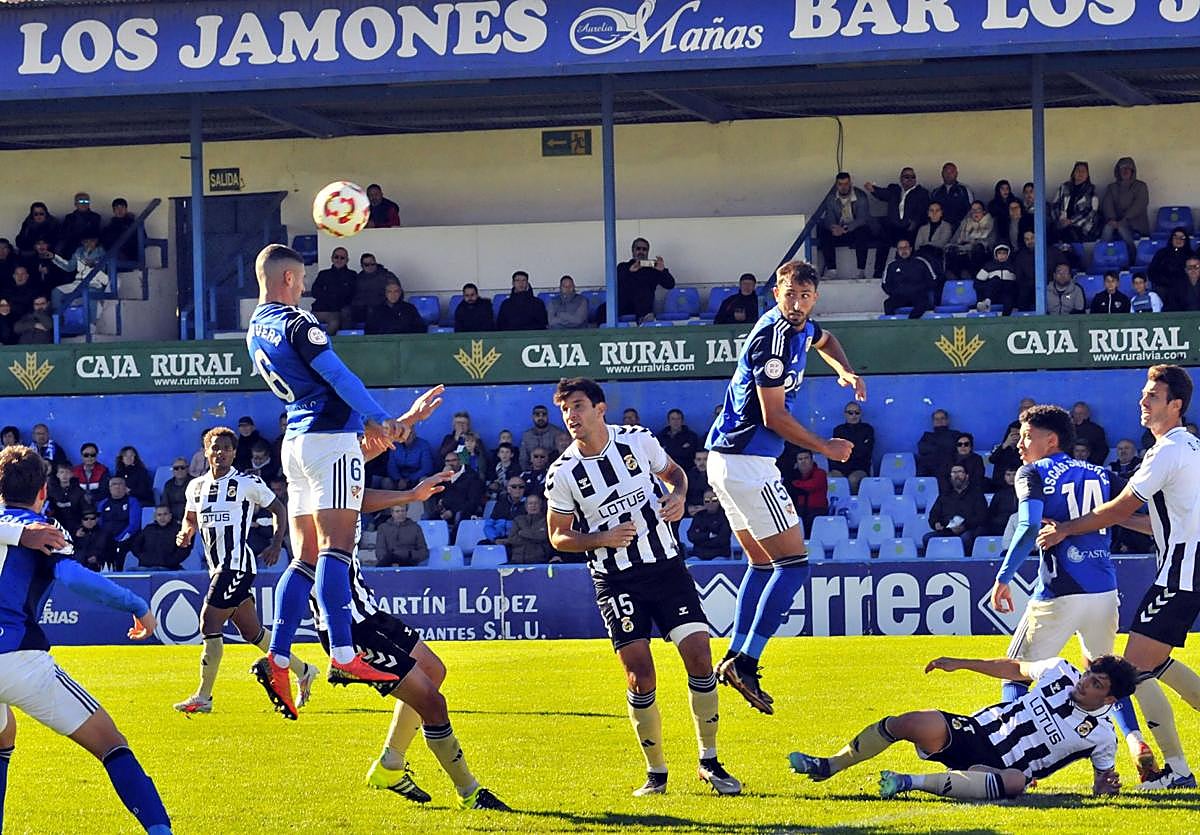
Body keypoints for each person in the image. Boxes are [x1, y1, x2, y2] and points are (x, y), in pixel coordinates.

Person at [246, 242, 443, 720]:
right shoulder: (299, 322)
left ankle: (277, 656)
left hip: (295, 445)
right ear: (289, 280)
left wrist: (394, 421)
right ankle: (342, 650)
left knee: (305, 558)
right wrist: (378, 418)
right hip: (329, 439)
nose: (305, 288)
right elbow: (336, 375)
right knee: (336, 549)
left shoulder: (255, 330)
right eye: (302, 280)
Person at [546, 377, 741, 797]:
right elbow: (558, 537)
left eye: (578, 406)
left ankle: (709, 762)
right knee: (640, 674)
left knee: (700, 656)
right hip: (615, 579)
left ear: (600, 408)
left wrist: (678, 497)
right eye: (566, 410)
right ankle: (656, 774)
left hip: (667, 567)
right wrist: (601, 538)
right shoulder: (562, 472)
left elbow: (677, 476)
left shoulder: (637, 440)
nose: (571, 416)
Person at [706, 260, 865, 714]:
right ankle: (749, 660)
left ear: (814, 298)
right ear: (775, 292)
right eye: (789, 294)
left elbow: (827, 340)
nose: (796, 304)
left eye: (805, 296)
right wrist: (823, 448)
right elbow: (773, 415)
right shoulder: (772, 339)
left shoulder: (802, 328)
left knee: (761, 563)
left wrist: (845, 372)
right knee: (793, 565)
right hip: (749, 462)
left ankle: (736, 655)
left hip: (727, 461)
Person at [1038, 365, 1200, 790]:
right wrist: (1114, 519)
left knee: (1134, 670)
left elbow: (1123, 506)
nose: (1143, 401)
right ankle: (1176, 770)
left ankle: (1178, 772)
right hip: (1187, 565)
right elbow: (1154, 523)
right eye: (1143, 394)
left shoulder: (1165, 451)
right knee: (1156, 662)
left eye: (1152, 396)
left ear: (1175, 405)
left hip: (1182, 571)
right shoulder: (1189, 448)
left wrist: (1069, 527)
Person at [0, 445, 172, 833]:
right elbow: (74, 578)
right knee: (112, 743)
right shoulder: (43, 530)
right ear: (43, 491)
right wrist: (136, 603)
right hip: (18, 659)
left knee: (2, 734)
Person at [989, 404, 1156, 780]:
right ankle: (1134, 740)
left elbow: (1029, 525)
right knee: (1104, 674)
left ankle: (1009, 756)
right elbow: (1136, 515)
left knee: (1015, 673)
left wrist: (1004, 575)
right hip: (1104, 593)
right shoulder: (1101, 473)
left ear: (1051, 440)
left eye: (1027, 436)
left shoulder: (1032, 473)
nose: (1019, 443)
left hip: (1060, 591)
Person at [320, 480, 509, 810]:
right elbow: (304, 569)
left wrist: (401, 438)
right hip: (349, 625)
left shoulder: (339, 478)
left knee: (434, 670)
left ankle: (390, 766)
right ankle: (470, 792)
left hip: (369, 612)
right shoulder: (316, 494)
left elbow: (357, 497)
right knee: (433, 704)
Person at [788, 653, 1136, 801]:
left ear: (1109, 699)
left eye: (1097, 683)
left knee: (1016, 783)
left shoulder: (1102, 736)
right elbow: (1015, 668)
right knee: (907, 722)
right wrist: (960, 663)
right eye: (1090, 674)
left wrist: (1105, 786)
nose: (1085, 682)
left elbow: (1101, 782)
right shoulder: (1060, 671)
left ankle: (907, 782)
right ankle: (829, 765)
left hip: (1004, 768)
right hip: (975, 731)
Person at [171, 427, 318, 714]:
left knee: (208, 623)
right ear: (206, 451)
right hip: (217, 567)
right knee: (254, 633)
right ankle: (304, 670)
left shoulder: (246, 483)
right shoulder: (196, 486)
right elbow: (190, 518)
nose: (220, 452)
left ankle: (203, 697)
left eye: (226, 448)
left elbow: (279, 508)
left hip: (237, 564)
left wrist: (277, 543)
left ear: (234, 453)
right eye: (215, 447)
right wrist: (185, 533)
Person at [864, 167, 929, 278]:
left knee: (906, 246)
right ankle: (878, 272)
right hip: (894, 227)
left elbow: (922, 210)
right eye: (906, 177)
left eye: (913, 177)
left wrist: (914, 222)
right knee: (882, 241)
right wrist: (872, 189)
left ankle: (903, 273)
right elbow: (883, 194)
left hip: (910, 228)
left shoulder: (921, 192)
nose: (910, 179)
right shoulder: (895, 190)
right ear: (901, 178)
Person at [817, 172, 873, 278]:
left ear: (850, 183)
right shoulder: (831, 198)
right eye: (840, 184)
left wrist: (846, 228)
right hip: (839, 231)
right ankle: (832, 270)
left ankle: (861, 271)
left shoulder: (860, 196)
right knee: (824, 233)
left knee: (863, 232)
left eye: (846, 184)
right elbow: (829, 217)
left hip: (854, 230)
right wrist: (833, 227)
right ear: (836, 185)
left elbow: (862, 219)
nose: (843, 187)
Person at [923, 464, 987, 554]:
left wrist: (964, 526)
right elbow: (933, 515)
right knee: (927, 538)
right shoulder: (944, 496)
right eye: (954, 472)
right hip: (947, 530)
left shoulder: (976, 494)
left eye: (960, 472)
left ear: (967, 475)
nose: (956, 475)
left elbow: (982, 516)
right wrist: (935, 523)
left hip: (969, 530)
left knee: (965, 539)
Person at [616, 238, 675, 323]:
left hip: (643, 307)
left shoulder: (653, 270)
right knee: (603, 309)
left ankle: (644, 319)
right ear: (633, 251)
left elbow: (670, 284)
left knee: (642, 291)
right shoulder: (623, 267)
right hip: (623, 306)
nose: (641, 252)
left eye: (644, 249)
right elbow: (615, 282)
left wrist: (662, 271)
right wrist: (630, 271)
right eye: (638, 249)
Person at [1100, 157, 1150, 255]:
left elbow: (1139, 205)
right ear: (1118, 171)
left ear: (1133, 171)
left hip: (1136, 225)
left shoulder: (1141, 186)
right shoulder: (1112, 187)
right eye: (1122, 168)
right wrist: (1112, 219)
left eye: (1128, 168)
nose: (1125, 171)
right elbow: (1107, 204)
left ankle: (1132, 257)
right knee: (1107, 228)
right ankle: (1103, 257)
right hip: (1115, 223)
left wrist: (1124, 219)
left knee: (1122, 229)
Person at [881, 238, 935, 318]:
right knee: (888, 304)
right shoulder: (892, 265)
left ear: (910, 249)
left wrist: (920, 290)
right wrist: (896, 292)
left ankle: (910, 324)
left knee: (923, 303)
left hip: (918, 296)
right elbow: (885, 284)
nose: (903, 250)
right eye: (900, 248)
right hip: (900, 296)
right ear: (897, 250)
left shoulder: (921, 262)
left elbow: (932, 279)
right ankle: (893, 327)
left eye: (906, 247)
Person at [1050, 161, 1101, 244]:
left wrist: (1071, 221)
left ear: (1087, 175)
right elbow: (1054, 205)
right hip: (1062, 221)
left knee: (1070, 233)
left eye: (1083, 171)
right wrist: (1059, 220)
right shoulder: (1064, 187)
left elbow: (1092, 211)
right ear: (1073, 173)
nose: (1080, 173)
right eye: (1078, 170)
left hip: (1082, 225)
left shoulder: (1091, 190)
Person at [309, 247, 357, 335]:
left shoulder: (352, 275)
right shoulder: (323, 274)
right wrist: (332, 297)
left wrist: (330, 296)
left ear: (347, 260)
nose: (339, 260)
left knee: (339, 319)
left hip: (341, 311)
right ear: (332, 258)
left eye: (342, 258)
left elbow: (352, 295)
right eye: (336, 257)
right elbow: (315, 292)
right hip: (321, 310)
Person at [97, 476, 141, 571]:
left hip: (125, 539)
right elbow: (99, 524)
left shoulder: (132, 502)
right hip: (106, 539)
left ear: (125, 487)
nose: (117, 487)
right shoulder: (103, 504)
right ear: (109, 488)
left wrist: (120, 538)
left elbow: (134, 525)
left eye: (120, 484)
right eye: (114, 484)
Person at [944, 200, 995, 280]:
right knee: (952, 251)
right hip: (962, 251)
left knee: (978, 249)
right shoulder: (965, 223)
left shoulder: (990, 223)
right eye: (973, 210)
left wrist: (970, 246)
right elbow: (954, 240)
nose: (975, 212)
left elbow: (990, 243)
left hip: (980, 253)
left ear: (984, 211)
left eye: (978, 209)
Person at [829, 402, 873, 492]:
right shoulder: (838, 430)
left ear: (861, 414)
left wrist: (848, 451)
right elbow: (835, 451)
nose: (854, 415)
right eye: (850, 413)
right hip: (840, 467)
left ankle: (852, 503)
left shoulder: (867, 429)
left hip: (860, 467)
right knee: (832, 479)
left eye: (857, 412)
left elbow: (865, 451)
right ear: (845, 414)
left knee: (853, 479)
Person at [129, 506, 188, 571]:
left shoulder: (178, 530)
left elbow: (184, 550)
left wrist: (170, 561)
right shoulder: (148, 529)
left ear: (170, 516)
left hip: (170, 569)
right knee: (130, 571)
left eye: (165, 514)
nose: (162, 518)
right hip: (146, 568)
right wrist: (144, 558)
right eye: (159, 515)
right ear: (155, 517)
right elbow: (135, 545)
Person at [784, 449, 828, 536]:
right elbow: (787, 490)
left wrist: (795, 483)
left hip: (817, 510)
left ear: (812, 460)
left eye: (806, 458)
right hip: (798, 510)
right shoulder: (792, 474)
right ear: (797, 462)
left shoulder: (820, 473)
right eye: (800, 459)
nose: (803, 461)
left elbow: (811, 486)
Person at [518, 405, 568, 471]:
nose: (541, 417)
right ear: (533, 417)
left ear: (548, 416)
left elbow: (563, 454)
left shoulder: (557, 433)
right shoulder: (527, 435)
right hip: (532, 472)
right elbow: (523, 458)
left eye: (544, 414)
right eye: (537, 415)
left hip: (554, 471)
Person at [1147, 227, 1192, 298]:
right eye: (1175, 237)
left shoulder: (1191, 255)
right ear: (1171, 239)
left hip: (1186, 288)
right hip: (1164, 287)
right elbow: (1152, 272)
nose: (1178, 240)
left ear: (1186, 240)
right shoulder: (1161, 254)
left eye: (1182, 238)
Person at [688, 490, 732, 560]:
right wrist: (709, 535)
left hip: (719, 555)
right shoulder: (699, 516)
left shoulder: (725, 516)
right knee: (691, 561)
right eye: (707, 501)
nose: (710, 503)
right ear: (703, 502)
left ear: (719, 500)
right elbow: (691, 536)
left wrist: (700, 541)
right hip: (699, 555)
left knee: (718, 561)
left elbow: (723, 539)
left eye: (714, 500)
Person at [509, 494, 552, 564]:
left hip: (540, 561)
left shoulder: (546, 520)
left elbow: (543, 537)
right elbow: (512, 539)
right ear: (526, 507)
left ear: (540, 505)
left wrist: (522, 533)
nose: (533, 506)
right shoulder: (518, 520)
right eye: (530, 503)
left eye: (536, 503)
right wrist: (534, 537)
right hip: (517, 560)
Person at [973, 244, 1017, 314]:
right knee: (995, 279)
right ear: (995, 254)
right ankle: (986, 303)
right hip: (993, 295)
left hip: (1006, 294)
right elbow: (977, 283)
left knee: (1009, 299)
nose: (1002, 256)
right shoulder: (989, 266)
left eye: (1004, 253)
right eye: (999, 253)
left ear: (1008, 254)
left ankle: (1004, 320)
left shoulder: (1013, 266)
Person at [57, 192, 103, 257]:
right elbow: (65, 234)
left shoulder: (95, 217)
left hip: (89, 245)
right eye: (81, 201)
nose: (84, 203)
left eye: (86, 201)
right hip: (72, 245)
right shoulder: (69, 217)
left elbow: (96, 234)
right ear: (75, 204)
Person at [929, 162, 974, 228]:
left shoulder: (964, 190)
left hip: (959, 228)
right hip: (939, 229)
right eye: (946, 172)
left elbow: (972, 210)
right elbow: (930, 211)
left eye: (952, 172)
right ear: (942, 174)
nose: (948, 175)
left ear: (956, 174)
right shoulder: (936, 192)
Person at [916, 409, 958, 478]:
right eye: (936, 419)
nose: (939, 421)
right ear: (933, 422)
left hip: (951, 469)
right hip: (932, 470)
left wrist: (937, 448)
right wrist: (943, 449)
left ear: (947, 420)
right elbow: (922, 449)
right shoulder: (927, 436)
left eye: (942, 418)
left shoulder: (955, 435)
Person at [47, 463, 87, 536]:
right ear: (57, 475)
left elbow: (85, 511)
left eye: (67, 472)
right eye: (62, 472)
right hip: (56, 528)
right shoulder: (51, 492)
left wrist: (80, 528)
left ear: (72, 474)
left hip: (76, 529)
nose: (64, 475)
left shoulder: (79, 491)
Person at [100, 198, 139, 265]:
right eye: (117, 208)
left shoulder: (134, 225)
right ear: (113, 210)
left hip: (131, 257)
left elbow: (141, 240)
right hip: (114, 259)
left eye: (122, 208)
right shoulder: (109, 228)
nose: (120, 211)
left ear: (126, 209)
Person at [1071, 401, 1109, 466]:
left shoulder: (1096, 430)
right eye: (1075, 413)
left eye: (1081, 413)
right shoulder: (1067, 430)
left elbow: (1103, 450)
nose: (1078, 416)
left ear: (1087, 414)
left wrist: (1091, 465)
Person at [161, 458, 191, 523]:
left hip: (191, 520)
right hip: (172, 521)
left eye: (182, 467)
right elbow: (165, 504)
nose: (179, 470)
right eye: (176, 468)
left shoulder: (195, 482)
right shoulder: (168, 484)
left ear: (187, 469)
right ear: (173, 471)